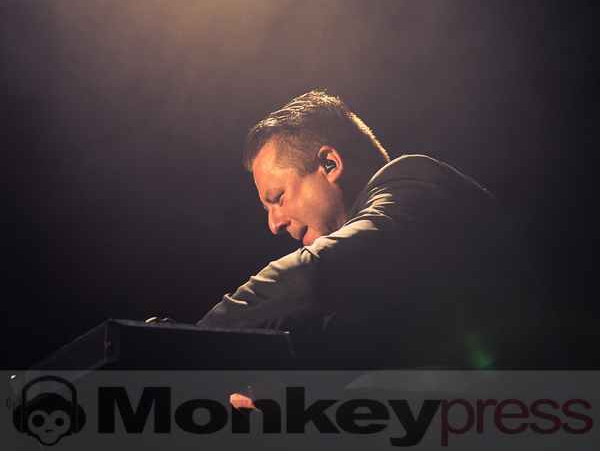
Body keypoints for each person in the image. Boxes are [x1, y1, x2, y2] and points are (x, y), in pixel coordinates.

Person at [198, 91, 560, 370]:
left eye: (277, 198)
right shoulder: (368, 285)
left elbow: (316, 273)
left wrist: (192, 340)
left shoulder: (416, 181)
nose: (274, 223)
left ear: (330, 164)